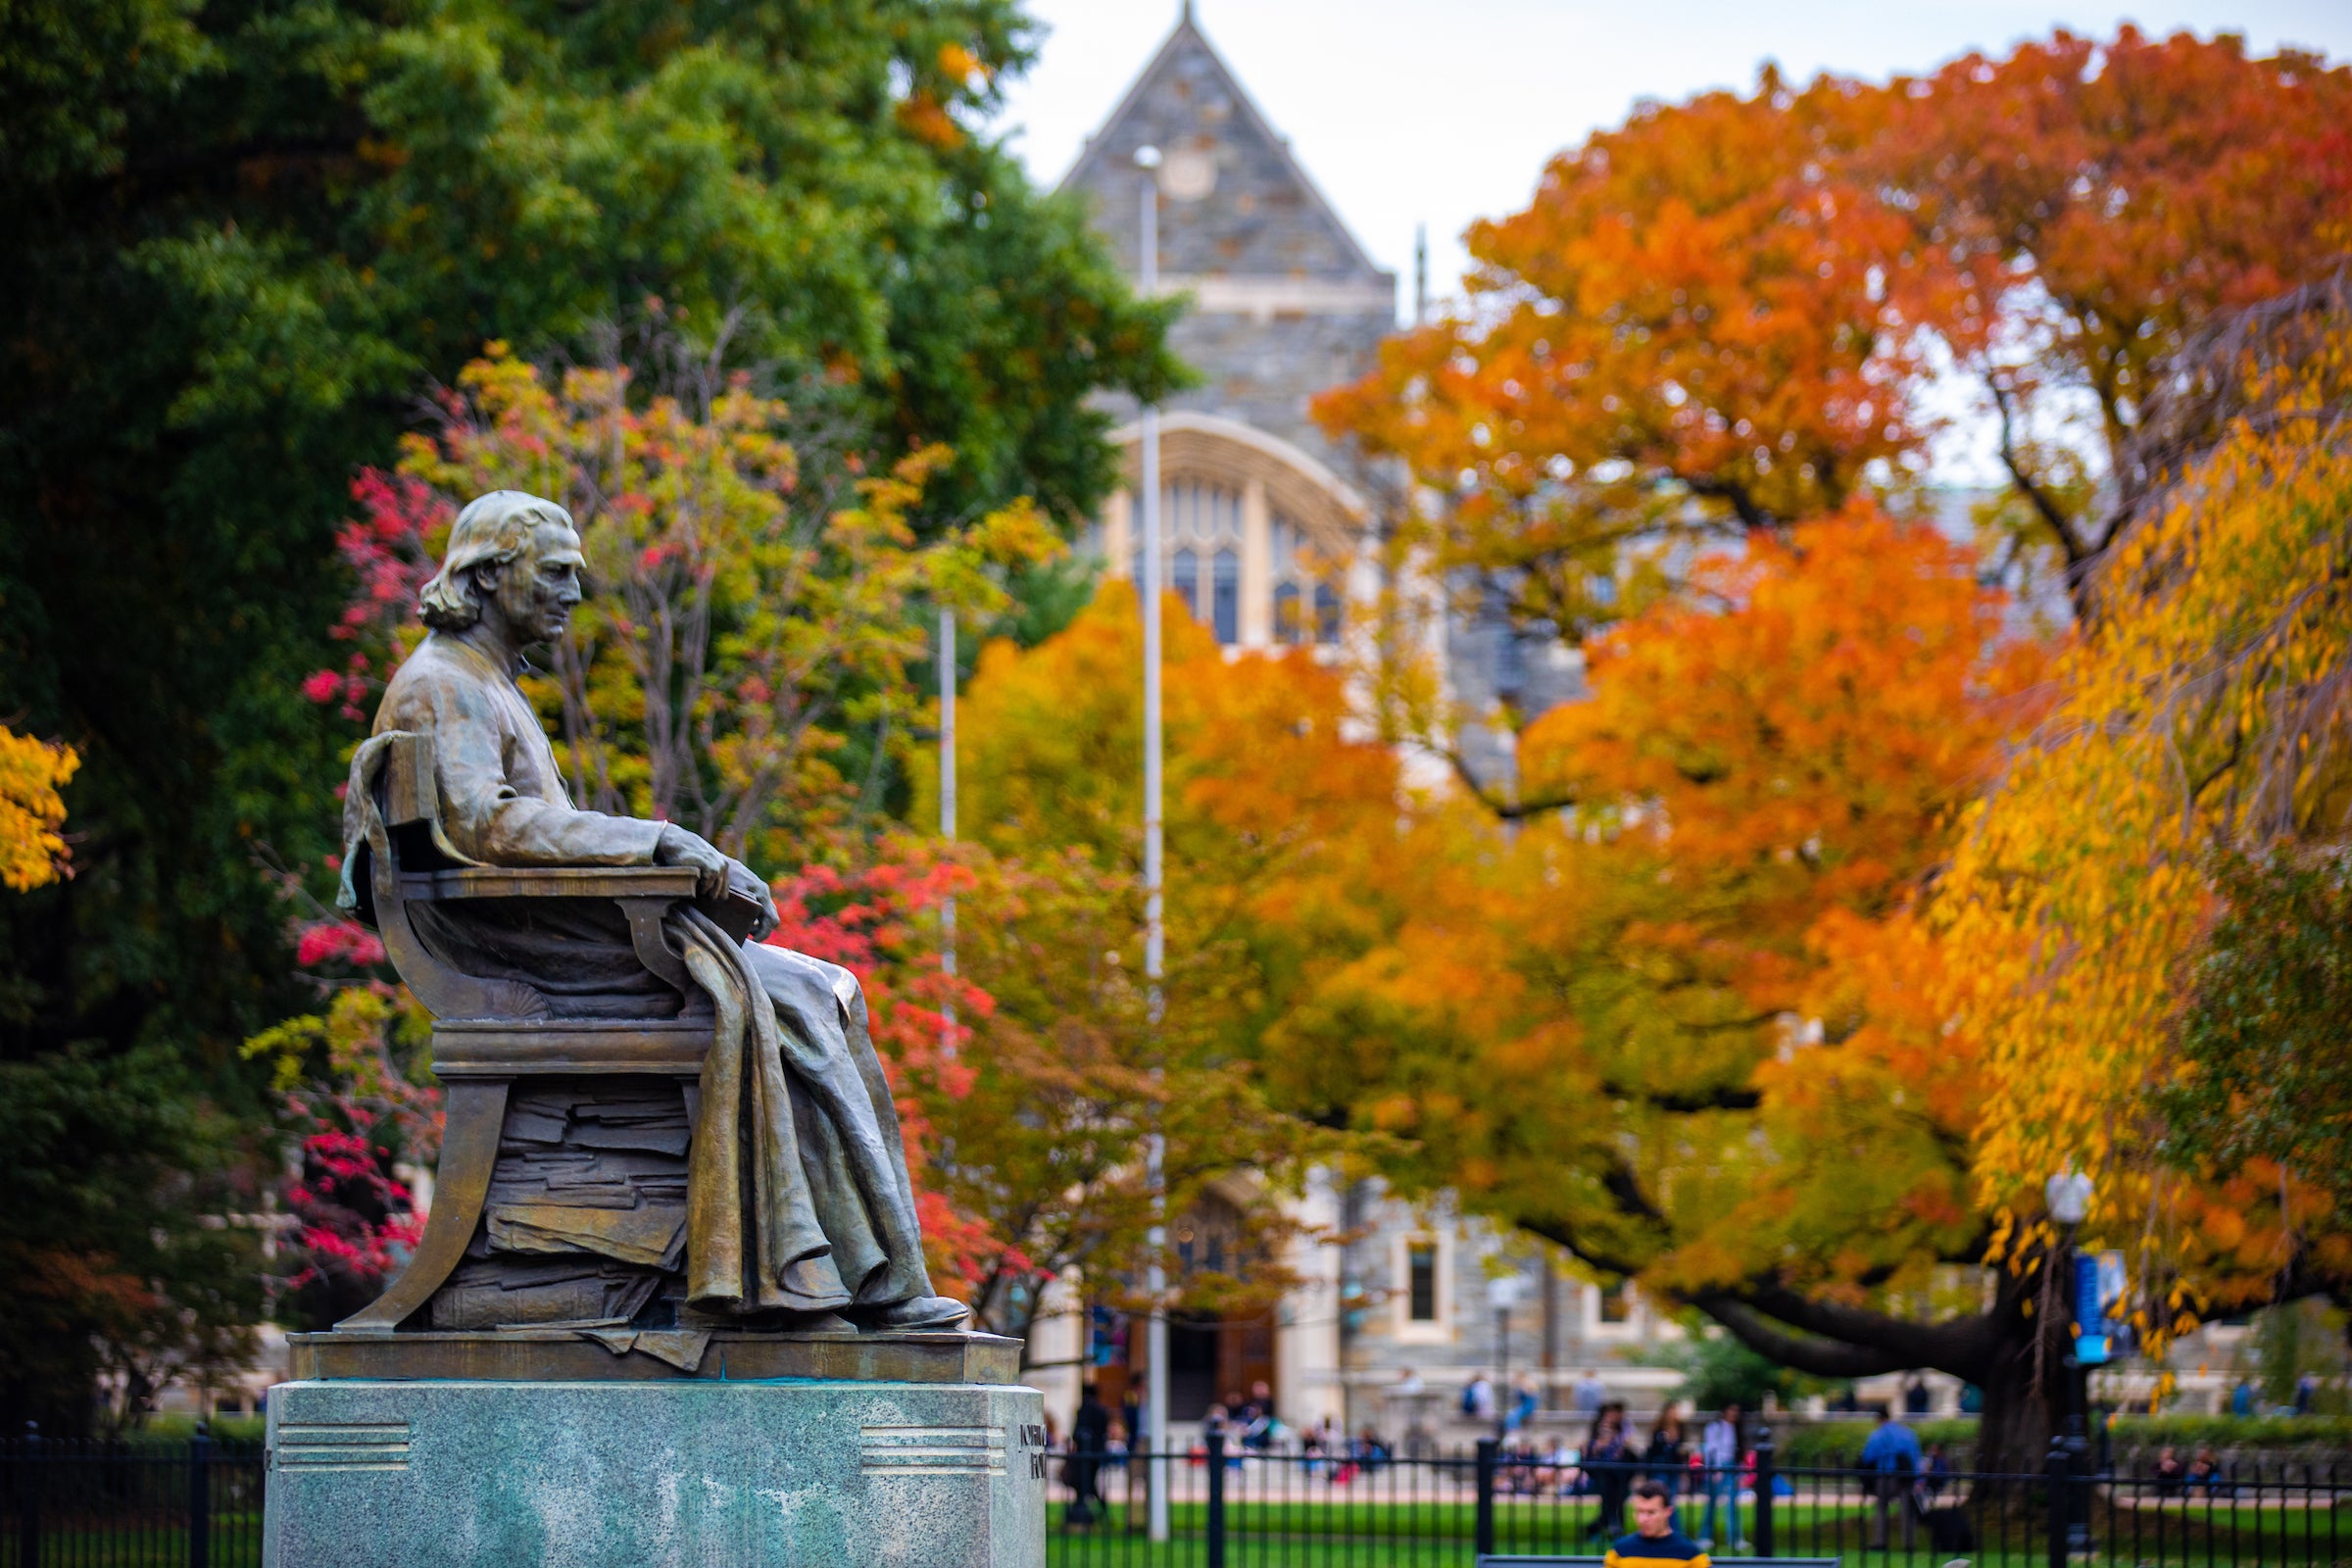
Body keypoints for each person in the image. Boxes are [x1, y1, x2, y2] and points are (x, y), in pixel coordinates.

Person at [347, 492, 965, 1331]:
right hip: (520, 961)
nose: (573, 590)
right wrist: (663, 845)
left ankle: (870, 1278)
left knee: (825, 985)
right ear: (489, 575)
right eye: (555, 572)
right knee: (788, 998)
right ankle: (810, 1282)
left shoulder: (481, 681)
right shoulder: (440, 683)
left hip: (557, 942)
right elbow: (488, 824)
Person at [1605, 1479, 1712, 1568]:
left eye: (1651, 1512)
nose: (1644, 1519)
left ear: (1668, 1512)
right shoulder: (1620, 1551)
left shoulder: (1690, 1554)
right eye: (1639, 1512)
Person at [1861, 1405, 1923, 1549]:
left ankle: (1880, 1541)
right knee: (1907, 1509)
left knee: (1881, 1508)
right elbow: (1916, 1456)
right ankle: (1909, 1543)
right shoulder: (1907, 1433)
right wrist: (1918, 1478)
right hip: (1905, 1475)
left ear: (1879, 1419)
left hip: (1885, 1474)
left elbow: (1868, 1456)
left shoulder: (1877, 1434)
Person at [1585, 1406, 1634, 1542]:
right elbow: (1591, 1459)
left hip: (1617, 1476)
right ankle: (1601, 1529)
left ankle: (1609, 1529)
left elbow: (1626, 1456)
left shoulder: (1618, 1441)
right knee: (1609, 1504)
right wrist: (1598, 1449)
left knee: (1617, 1503)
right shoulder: (1596, 1443)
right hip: (1603, 1477)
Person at [1699, 1402, 1743, 1551]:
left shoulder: (1735, 1428)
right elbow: (1711, 1448)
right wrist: (1715, 1469)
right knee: (1712, 1503)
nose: (1734, 1413)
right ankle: (1705, 1536)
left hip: (1731, 1465)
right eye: (1732, 1410)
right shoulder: (1715, 1427)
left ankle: (1734, 1537)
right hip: (1718, 1465)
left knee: (1732, 1503)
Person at [1067, 1383, 1110, 1525]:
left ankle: (1083, 1509)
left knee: (1085, 1481)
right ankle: (1093, 1510)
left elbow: (1077, 1432)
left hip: (1084, 1453)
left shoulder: (1084, 1409)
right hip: (1097, 1452)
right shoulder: (1102, 1410)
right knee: (1089, 1482)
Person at [1644, 1404, 1689, 1503]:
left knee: (1672, 1494)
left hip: (1674, 1465)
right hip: (1660, 1465)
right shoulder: (1658, 1429)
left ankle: (1671, 1518)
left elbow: (1681, 1447)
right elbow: (1653, 1448)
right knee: (1660, 1493)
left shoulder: (1680, 1428)